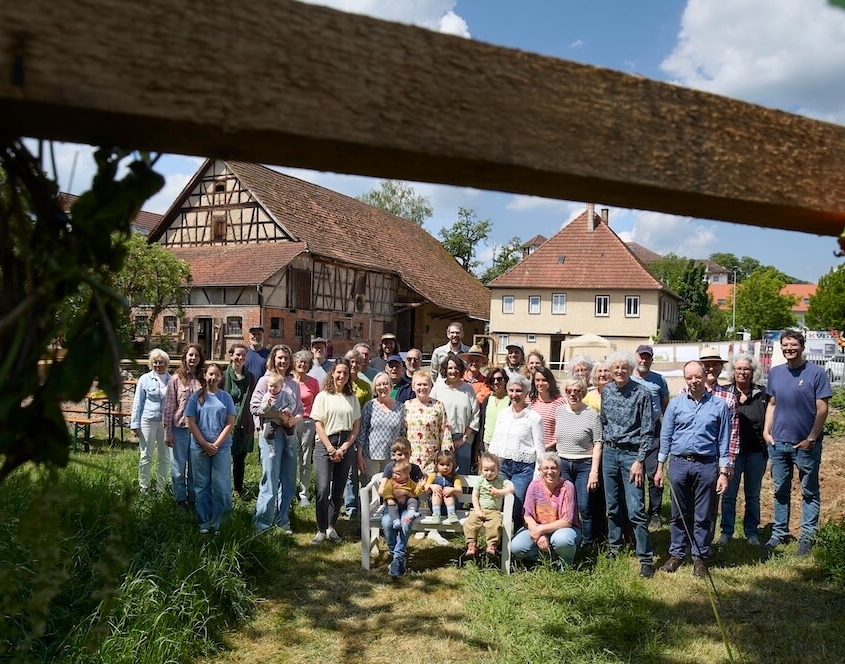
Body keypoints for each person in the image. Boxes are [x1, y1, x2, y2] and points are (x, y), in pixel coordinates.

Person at [656, 360, 731, 578]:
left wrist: (723, 472)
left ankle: (700, 557)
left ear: (705, 376)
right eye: (689, 377)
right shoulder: (676, 404)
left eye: (697, 376)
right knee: (678, 512)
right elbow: (666, 436)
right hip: (679, 463)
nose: (694, 381)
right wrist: (660, 466)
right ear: (685, 379)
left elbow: (724, 440)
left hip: (706, 464)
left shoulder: (719, 406)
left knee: (703, 514)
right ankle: (677, 554)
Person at [763, 329, 832, 555]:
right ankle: (779, 534)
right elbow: (772, 404)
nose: (789, 349)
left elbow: (822, 409)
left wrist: (811, 438)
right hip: (778, 443)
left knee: (809, 491)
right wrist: (767, 432)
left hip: (805, 445)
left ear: (802, 347)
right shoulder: (775, 373)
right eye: (785, 345)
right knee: (780, 490)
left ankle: (807, 537)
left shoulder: (816, 374)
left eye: (793, 345)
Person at [600, 350, 655, 578]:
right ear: (611, 370)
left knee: (636, 509)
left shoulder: (642, 393)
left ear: (631, 369)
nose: (620, 371)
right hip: (609, 453)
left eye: (624, 367)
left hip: (632, 455)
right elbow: (603, 421)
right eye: (616, 368)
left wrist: (640, 460)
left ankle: (645, 558)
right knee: (612, 506)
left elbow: (648, 430)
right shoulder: (606, 391)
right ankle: (615, 547)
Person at [252, 345, 303, 534]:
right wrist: (278, 415)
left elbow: (300, 409)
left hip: (289, 435)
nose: (283, 361)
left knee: (288, 480)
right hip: (271, 437)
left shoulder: (293, 384)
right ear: (273, 359)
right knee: (270, 479)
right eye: (279, 357)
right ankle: (262, 522)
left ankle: (283, 520)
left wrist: (294, 420)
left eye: (286, 358)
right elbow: (255, 407)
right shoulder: (265, 381)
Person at [718, 353, 769, 546]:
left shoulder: (762, 394)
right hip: (732, 454)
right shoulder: (725, 393)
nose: (742, 372)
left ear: (753, 372)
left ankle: (752, 533)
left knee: (753, 495)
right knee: (729, 495)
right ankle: (726, 532)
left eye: (746, 369)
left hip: (756, 452)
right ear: (733, 371)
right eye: (738, 368)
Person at [310, 358, 362, 545]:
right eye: (339, 372)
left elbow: (356, 427)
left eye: (345, 373)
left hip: (345, 444)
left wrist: (344, 447)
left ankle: (331, 526)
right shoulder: (323, 396)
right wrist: (331, 448)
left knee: (338, 489)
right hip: (325, 444)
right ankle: (321, 528)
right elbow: (318, 425)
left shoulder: (352, 398)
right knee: (323, 489)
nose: (342, 376)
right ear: (333, 373)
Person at [488, 375, 544, 531]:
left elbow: (540, 449)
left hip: (523, 469)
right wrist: (489, 462)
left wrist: (537, 476)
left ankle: (517, 539)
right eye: (511, 390)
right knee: (499, 503)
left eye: (519, 391)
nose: (514, 394)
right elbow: (495, 440)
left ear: (526, 392)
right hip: (502, 466)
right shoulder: (503, 414)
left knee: (516, 506)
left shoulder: (534, 418)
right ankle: (498, 539)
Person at [186, 363, 236, 534]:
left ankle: (220, 522)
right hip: (199, 447)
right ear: (205, 375)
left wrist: (215, 445)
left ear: (221, 377)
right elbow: (191, 423)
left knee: (221, 485)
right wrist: (204, 444)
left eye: (216, 375)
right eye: (210, 374)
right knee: (201, 485)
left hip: (221, 448)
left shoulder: (226, 398)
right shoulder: (196, 397)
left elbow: (230, 423)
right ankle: (204, 522)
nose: (213, 377)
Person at [510, 452, 580, 568]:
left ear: (559, 469)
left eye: (553, 468)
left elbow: (566, 521)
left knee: (562, 540)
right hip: (538, 526)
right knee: (516, 547)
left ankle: (566, 564)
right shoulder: (534, 485)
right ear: (540, 470)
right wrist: (539, 536)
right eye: (546, 468)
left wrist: (540, 530)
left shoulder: (567, 487)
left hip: (563, 529)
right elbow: (527, 515)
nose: (550, 472)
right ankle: (549, 558)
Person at [555, 377, 603, 547]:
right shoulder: (559, 411)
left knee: (585, 506)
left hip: (584, 465)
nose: (573, 394)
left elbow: (598, 443)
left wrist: (594, 472)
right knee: (567, 505)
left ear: (583, 393)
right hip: (563, 464)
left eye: (577, 391)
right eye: (569, 391)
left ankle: (588, 544)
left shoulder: (591, 414)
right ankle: (570, 540)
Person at [163, 343, 205, 509]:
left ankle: (193, 499)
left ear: (200, 358)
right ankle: (180, 500)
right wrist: (167, 431)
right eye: (190, 355)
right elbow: (168, 406)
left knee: (195, 467)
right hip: (179, 428)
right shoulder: (176, 379)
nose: (193, 358)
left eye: (196, 355)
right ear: (185, 357)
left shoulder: (203, 379)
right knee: (178, 466)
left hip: (198, 429)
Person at [633, 344, 670, 531]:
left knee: (654, 472)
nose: (644, 360)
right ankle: (636, 509)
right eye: (641, 356)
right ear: (636, 357)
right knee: (634, 473)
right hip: (633, 433)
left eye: (647, 357)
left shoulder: (659, 380)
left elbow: (665, 405)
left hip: (654, 432)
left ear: (651, 359)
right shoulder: (628, 378)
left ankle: (654, 512)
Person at [379, 437, 426, 577]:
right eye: (400, 454)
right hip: (392, 505)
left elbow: (418, 491)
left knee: (405, 523)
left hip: (409, 506)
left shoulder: (415, 469)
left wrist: (407, 492)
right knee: (387, 522)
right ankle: (397, 557)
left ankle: (396, 559)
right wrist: (395, 493)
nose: (403, 457)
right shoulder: (390, 468)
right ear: (394, 454)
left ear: (411, 453)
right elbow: (381, 490)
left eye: (406, 454)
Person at [131, 348, 172, 494]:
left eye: (161, 362)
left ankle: (161, 488)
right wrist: (135, 424)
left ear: (166, 363)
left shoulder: (172, 380)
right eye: (155, 362)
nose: (158, 365)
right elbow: (138, 402)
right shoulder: (144, 379)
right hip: (148, 420)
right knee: (145, 455)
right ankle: (144, 487)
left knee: (165, 456)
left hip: (165, 423)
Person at [431, 354, 480, 474]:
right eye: (450, 368)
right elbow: (431, 412)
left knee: (462, 475)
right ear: (445, 370)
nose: (453, 371)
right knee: (443, 473)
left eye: (456, 368)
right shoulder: (437, 389)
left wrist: (464, 438)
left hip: (464, 440)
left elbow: (475, 415)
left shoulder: (468, 389)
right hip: (442, 439)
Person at [357, 371, 406, 490]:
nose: (382, 387)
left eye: (385, 384)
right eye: (378, 385)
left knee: (389, 489)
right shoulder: (369, 406)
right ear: (375, 388)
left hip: (392, 457)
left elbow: (403, 433)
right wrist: (359, 455)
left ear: (390, 386)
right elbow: (362, 432)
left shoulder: (400, 407)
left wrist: (402, 455)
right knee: (370, 489)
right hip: (370, 456)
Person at [463, 452, 515, 556]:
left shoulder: (501, 480)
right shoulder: (480, 480)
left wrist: (499, 492)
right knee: (470, 523)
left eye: (492, 470)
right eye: (486, 470)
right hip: (479, 509)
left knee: (495, 525)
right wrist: (477, 510)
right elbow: (475, 496)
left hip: (494, 511)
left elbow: (512, 488)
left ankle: (491, 546)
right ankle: (471, 545)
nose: (489, 473)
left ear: (498, 470)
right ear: (481, 470)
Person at [341, 348, 373, 519]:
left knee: (355, 470)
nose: (354, 365)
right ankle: (344, 503)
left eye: (358, 362)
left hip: (358, 430)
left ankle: (355, 505)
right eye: (351, 362)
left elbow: (367, 411)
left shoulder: (365, 386)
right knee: (344, 470)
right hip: (341, 428)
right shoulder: (340, 382)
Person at [223, 343, 256, 499]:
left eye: (243, 355)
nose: (241, 358)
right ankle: (223, 488)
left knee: (239, 459)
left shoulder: (250, 377)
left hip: (245, 421)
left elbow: (253, 399)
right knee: (223, 457)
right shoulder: (223, 376)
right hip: (226, 422)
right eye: (238, 354)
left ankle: (238, 488)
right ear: (231, 356)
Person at [403, 370, 451, 475]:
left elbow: (445, 431)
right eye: (419, 384)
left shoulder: (438, 406)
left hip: (432, 459)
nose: (422, 387)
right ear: (413, 387)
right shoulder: (406, 406)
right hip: (411, 459)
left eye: (425, 384)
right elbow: (402, 432)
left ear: (430, 386)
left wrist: (445, 457)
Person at [292, 349, 320, 506]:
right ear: (294, 363)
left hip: (308, 422)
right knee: (290, 457)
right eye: (300, 361)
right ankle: (289, 490)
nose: (302, 364)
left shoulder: (313, 382)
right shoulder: (288, 381)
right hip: (290, 422)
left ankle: (304, 493)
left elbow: (317, 404)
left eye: (306, 362)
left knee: (305, 458)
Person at [419, 450, 463, 525]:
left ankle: (451, 514)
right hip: (434, 506)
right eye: (442, 464)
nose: (445, 467)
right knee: (436, 493)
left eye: (448, 465)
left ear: (453, 465)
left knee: (448, 494)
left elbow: (459, 491)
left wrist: (452, 490)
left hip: (450, 506)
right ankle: (436, 515)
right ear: (436, 465)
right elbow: (426, 489)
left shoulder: (455, 478)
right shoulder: (433, 476)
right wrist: (432, 486)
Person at [529, 367, 566, 451]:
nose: (540, 383)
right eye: (537, 380)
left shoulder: (560, 402)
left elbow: (563, 431)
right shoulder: (529, 400)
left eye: (544, 380)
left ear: (550, 381)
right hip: (530, 449)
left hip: (550, 451)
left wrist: (545, 447)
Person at [382, 459, 423, 530]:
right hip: (395, 501)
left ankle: (411, 511)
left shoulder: (410, 482)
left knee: (413, 500)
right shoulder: (391, 482)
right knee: (392, 506)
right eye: (393, 473)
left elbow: (416, 492)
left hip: (406, 504)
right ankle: (396, 521)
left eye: (398, 474)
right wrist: (389, 499)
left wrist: (420, 487)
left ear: (406, 475)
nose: (394, 475)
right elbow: (386, 491)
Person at [478, 367, 510, 454]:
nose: (496, 382)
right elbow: (482, 424)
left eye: (499, 379)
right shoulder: (487, 400)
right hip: (486, 445)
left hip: (503, 446)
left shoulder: (510, 400)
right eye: (492, 380)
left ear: (505, 380)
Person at [258, 374, 292, 441]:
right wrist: (267, 404)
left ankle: (290, 443)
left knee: (290, 431)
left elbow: (292, 403)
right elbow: (263, 409)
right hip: (272, 419)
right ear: (267, 385)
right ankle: (271, 446)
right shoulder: (267, 396)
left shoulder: (285, 395)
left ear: (281, 387)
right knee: (268, 433)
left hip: (284, 417)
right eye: (271, 386)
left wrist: (288, 409)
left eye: (276, 386)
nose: (273, 388)